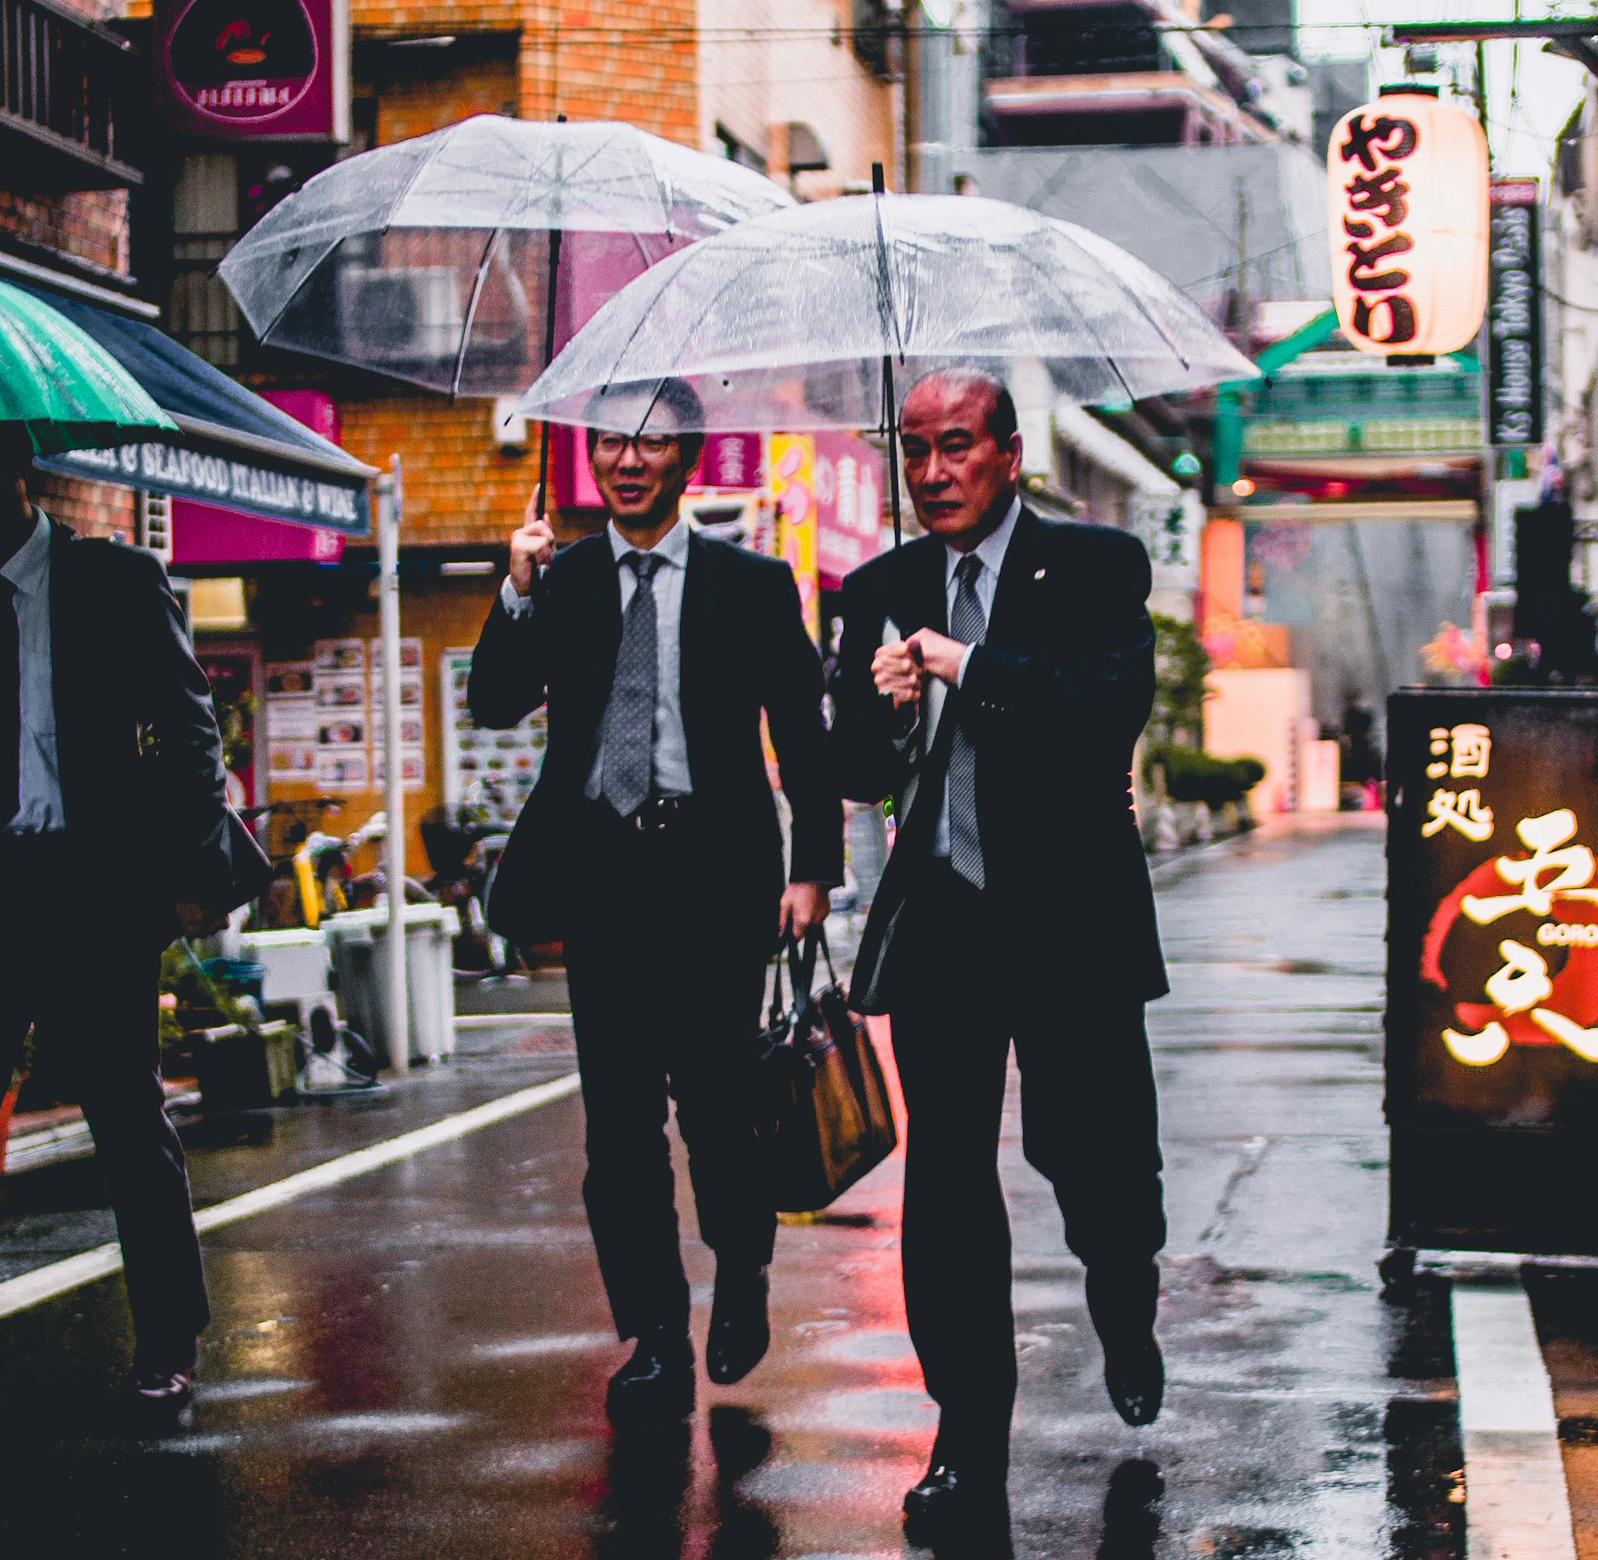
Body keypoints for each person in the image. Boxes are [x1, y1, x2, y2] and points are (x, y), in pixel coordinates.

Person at [830, 368, 1169, 1533]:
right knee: (948, 1184)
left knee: (1096, 1160)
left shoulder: (1096, 567)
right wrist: (879, 708)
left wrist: (961, 664)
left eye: (958, 446)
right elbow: (855, 771)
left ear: (1010, 454)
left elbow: (1100, 711)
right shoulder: (874, 587)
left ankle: (1125, 1299)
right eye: (915, 449)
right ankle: (968, 1433)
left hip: (1071, 920)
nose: (934, 472)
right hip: (948, 922)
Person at [468, 381, 840, 1423]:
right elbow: (495, 701)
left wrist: (812, 869)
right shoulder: (568, 579)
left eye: (651, 443)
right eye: (612, 442)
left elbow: (804, 742)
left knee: (719, 1112)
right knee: (618, 1129)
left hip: (717, 876)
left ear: (688, 457)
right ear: (589, 456)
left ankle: (745, 1273)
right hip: (604, 877)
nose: (629, 460)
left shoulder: (753, 584)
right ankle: (655, 1334)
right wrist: (516, 589)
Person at [0, 436, 267, 1510]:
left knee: (127, 1118)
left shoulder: (111, 581)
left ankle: (168, 1335)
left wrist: (176, 876)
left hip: (83, 888)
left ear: (18, 471)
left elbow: (192, 732)